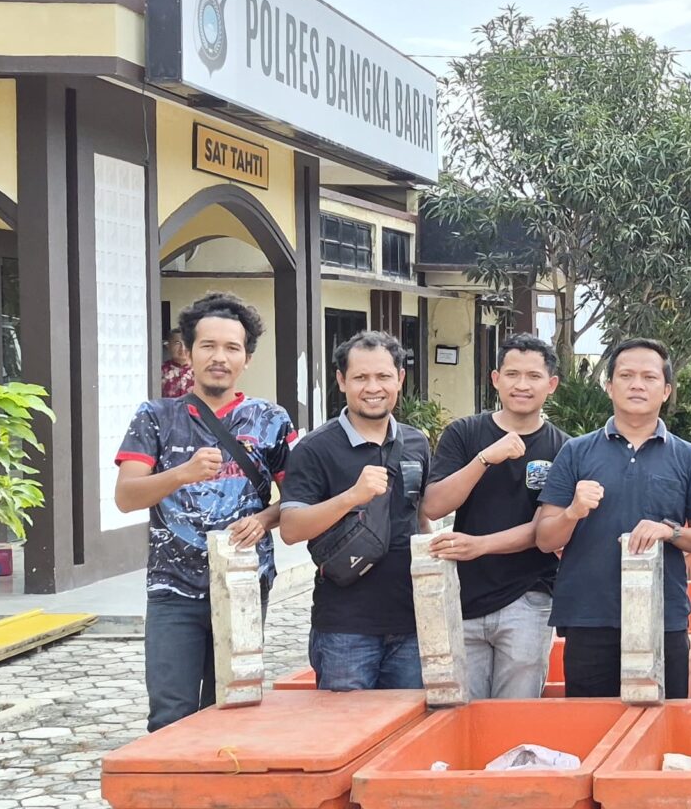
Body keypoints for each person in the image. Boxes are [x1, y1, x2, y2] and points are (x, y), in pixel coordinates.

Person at [115, 292, 294, 732]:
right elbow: (127, 496)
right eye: (208, 346)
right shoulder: (155, 417)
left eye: (232, 348)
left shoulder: (270, 419)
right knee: (169, 715)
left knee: (233, 708)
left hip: (244, 584)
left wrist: (264, 519)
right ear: (188, 352)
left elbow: (297, 499)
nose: (219, 357)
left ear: (246, 359)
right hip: (172, 589)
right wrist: (182, 473)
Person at [534, 339, 691, 698]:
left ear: (666, 391)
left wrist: (670, 531)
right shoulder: (575, 452)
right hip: (589, 617)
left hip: (662, 617)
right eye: (626, 375)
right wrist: (573, 512)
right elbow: (545, 539)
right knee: (591, 724)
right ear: (609, 386)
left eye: (649, 377)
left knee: (664, 721)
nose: (637, 385)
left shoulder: (689, 457)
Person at [280, 332, 431, 691]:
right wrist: (351, 497)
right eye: (361, 377)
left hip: (411, 624)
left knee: (408, 723)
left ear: (400, 379)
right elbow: (291, 528)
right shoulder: (315, 448)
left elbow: (420, 515)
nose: (373, 387)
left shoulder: (416, 442)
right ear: (341, 380)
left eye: (383, 376)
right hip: (345, 629)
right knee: (347, 723)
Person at [423, 333, 568, 699]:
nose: (522, 385)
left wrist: (480, 545)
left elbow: (544, 530)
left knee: (516, 714)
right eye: (512, 374)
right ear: (495, 379)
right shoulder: (464, 433)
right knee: (462, 712)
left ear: (551, 384)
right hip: (464, 596)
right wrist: (485, 458)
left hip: (529, 597)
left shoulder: (564, 448)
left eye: (533, 376)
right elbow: (434, 506)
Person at [160, 329, 194, 399]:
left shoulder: (200, 370)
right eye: (177, 343)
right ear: (168, 346)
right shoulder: (160, 371)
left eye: (186, 343)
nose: (183, 348)